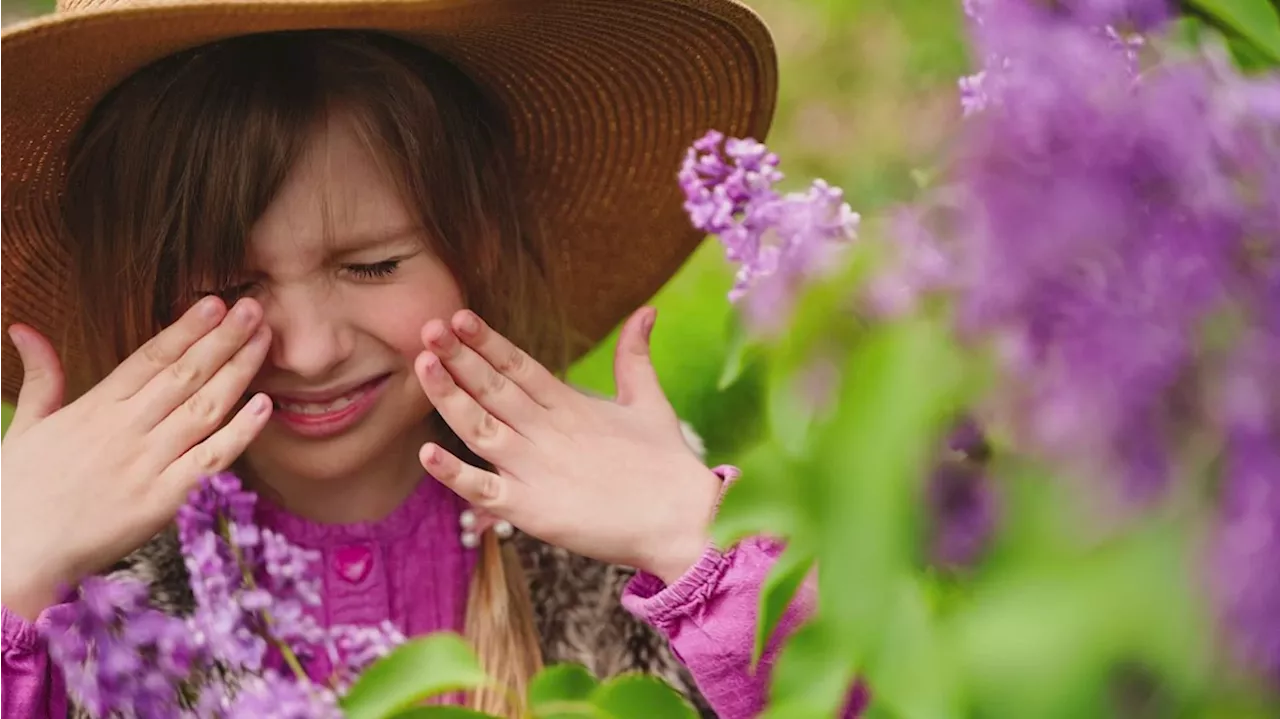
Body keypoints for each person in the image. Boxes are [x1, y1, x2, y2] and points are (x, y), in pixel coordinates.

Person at [0, 1, 862, 717]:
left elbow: (872, 693)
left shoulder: (621, 532)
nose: (309, 349)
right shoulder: (85, 597)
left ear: (474, 243)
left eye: (371, 265)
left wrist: (691, 541)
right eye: (229, 283)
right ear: (138, 288)